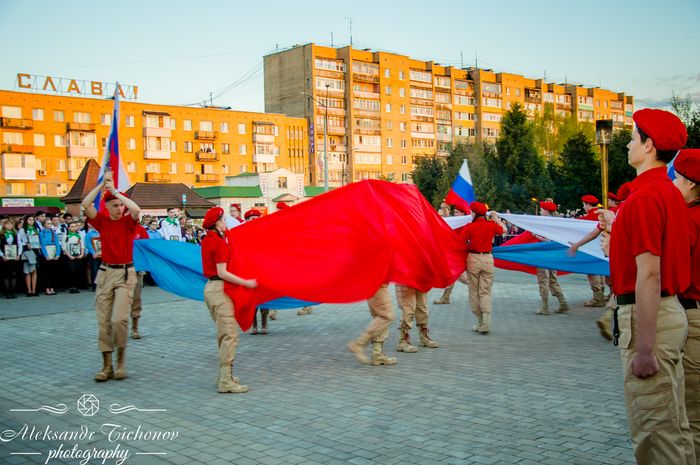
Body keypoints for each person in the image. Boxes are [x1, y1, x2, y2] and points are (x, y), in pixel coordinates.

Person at [606, 109, 694, 464]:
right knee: (675, 427)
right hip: (668, 312)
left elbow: (650, 275)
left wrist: (644, 348)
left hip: (650, 317)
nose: (628, 145)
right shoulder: (668, 192)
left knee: (655, 433)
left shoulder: (644, 198)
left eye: (633, 138)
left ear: (649, 145)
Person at [82, 170, 140, 382]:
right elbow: (85, 204)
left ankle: (121, 358)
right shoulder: (102, 222)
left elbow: (136, 209)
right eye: (114, 205)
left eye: (120, 205)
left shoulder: (127, 222)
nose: (119, 208)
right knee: (104, 322)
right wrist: (101, 186)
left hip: (125, 273)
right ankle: (107, 365)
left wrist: (115, 191)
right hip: (106, 273)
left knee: (119, 320)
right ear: (106, 207)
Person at [201, 206, 257, 393]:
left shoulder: (207, 240)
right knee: (230, 335)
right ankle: (225, 381)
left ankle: (223, 376)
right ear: (217, 224)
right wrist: (246, 282)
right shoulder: (219, 243)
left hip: (211, 288)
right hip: (220, 289)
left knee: (224, 334)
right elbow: (222, 272)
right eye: (224, 220)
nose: (226, 223)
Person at [672, 149, 700, 457]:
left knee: (691, 412)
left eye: (677, 178)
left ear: (691, 183)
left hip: (692, 313)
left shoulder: (690, 219)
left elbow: (673, 272)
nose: (673, 184)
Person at [460, 202, 507, 333]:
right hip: (488, 259)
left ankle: (480, 322)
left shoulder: (470, 226)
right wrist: (496, 218)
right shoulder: (491, 225)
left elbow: (460, 242)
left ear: (474, 213)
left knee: (474, 292)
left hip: (473, 259)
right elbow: (504, 229)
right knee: (485, 292)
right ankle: (486, 323)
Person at [533, 201, 570, 315]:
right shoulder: (555, 223)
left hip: (543, 255)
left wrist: (535, 235)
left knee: (543, 280)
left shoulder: (546, 223)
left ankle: (545, 307)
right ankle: (563, 303)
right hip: (552, 255)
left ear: (546, 211)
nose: (540, 211)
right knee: (553, 279)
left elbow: (549, 240)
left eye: (542, 210)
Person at [347, 283, 397, 366]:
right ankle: (359, 343)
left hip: (373, 285)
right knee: (387, 316)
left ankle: (377, 354)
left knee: (380, 318)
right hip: (377, 284)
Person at [577, 195, 606, 308]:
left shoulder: (590, 217)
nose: (584, 207)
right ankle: (601, 296)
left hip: (591, 249)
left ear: (588, 204)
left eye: (584, 205)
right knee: (601, 272)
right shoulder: (601, 214)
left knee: (593, 273)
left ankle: (597, 298)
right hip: (602, 247)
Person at [130, 222, 150, 339]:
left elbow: (146, 246)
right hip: (120, 268)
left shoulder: (140, 230)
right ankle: (118, 326)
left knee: (136, 298)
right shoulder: (118, 227)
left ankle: (134, 327)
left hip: (137, 269)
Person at [18, 214, 41, 297]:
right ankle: (29, 290)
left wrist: (39, 245)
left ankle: (34, 290)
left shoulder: (36, 229)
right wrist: (26, 244)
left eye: (32, 220)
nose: (31, 221)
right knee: (28, 271)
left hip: (35, 250)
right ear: (26, 221)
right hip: (27, 250)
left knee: (34, 270)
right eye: (29, 220)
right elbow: (19, 241)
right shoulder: (22, 230)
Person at [61, 221, 84, 294]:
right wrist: (69, 256)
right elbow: (64, 247)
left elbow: (82, 246)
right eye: (72, 227)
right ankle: (71, 287)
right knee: (72, 270)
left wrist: (81, 254)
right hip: (69, 256)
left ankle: (75, 286)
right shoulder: (66, 236)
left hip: (77, 255)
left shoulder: (79, 235)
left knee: (77, 271)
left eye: (75, 226)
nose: (74, 228)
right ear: (68, 228)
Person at [38, 218, 60, 295]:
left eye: (50, 223)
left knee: (53, 272)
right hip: (46, 254)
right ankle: (47, 288)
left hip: (53, 253)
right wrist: (46, 255)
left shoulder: (53, 233)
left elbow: (57, 244)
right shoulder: (41, 233)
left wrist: (57, 254)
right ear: (44, 225)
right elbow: (42, 244)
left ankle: (52, 288)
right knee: (46, 272)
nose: (50, 225)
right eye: (48, 223)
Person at [0, 218, 21, 299]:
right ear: (4, 225)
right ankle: (7, 292)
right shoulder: (1, 234)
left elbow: (19, 245)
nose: (9, 225)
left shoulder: (15, 234)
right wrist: (2, 255)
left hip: (14, 257)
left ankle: (13, 292)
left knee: (13, 274)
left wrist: (18, 254)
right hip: (5, 257)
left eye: (11, 224)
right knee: (6, 275)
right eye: (7, 224)